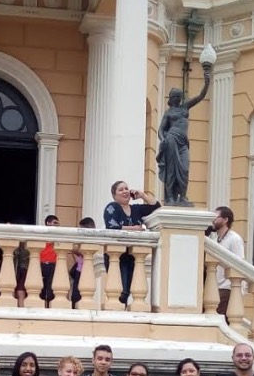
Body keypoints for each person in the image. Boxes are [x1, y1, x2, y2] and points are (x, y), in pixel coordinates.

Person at [156, 77, 211, 207]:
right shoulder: (168, 113)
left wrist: (207, 82)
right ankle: (169, 197)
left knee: (184, 169)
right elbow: (161, 129)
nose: (179, 98)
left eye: (180, 96)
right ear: (172, 98)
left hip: (183, 143)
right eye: (177, 96)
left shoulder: (185, 107)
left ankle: (182, 196)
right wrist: (163, 139)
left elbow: (201, 96)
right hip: (171, 139)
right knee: (171, 170)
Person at [103, 181, 161, 305]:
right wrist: (135, 228)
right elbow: (112, 227)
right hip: (117, 255)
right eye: (121, 189)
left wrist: (142, 195)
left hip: (132, 255)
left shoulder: (136, 209)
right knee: (121, 291)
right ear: (114, 195)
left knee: (127, 290)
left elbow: (156, 206)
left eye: (126, 188)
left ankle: (120, 311)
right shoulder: (112, 207)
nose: (125, 191)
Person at [208, 206, 245, 320]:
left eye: (216, 217)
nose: (213, 220)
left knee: (220, 320)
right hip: (215, 286)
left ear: (225, 220)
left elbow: (239, 264)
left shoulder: (235, 239)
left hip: (227, 287)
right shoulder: (215, 241)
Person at [69, 217, 96, 306]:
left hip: (84, 270)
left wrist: (75, 251)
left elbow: (87, 254)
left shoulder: (92, 240)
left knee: (78, 295)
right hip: (79, 269)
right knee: (75, 295)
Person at [39, 214, 60, 305]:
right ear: (48, 223)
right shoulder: (41, 234)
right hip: (41, 264)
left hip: (53, 264)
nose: (57, 225)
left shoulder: (59, 236)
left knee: (51, 288)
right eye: (54, 223)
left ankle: (49, 306)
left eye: (57, 224)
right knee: (40, 288)